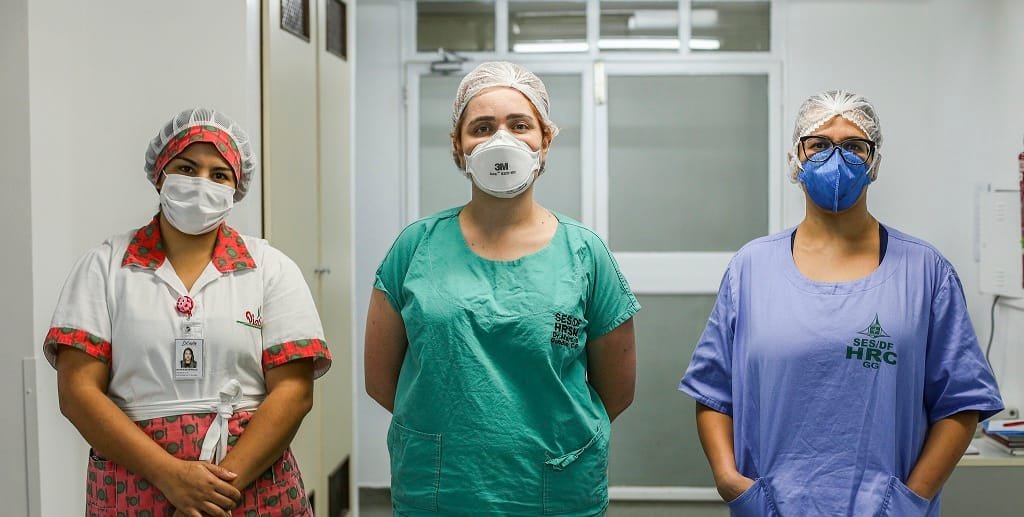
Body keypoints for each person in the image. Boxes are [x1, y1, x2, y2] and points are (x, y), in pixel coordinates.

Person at [679, 90, 1004, 516]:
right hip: (773, 506)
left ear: (874, 161)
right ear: (797, 157)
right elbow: (713, 393)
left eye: (853, 145)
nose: (836, 159)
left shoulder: (925, 271)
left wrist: (910, 500)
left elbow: (961, 402)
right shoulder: (751, 268)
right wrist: (728, 480)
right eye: (819, 144)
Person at [364, 61, 640, 516]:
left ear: (545, 140)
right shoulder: (416, 247)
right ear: (458, 144)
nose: (501, 141)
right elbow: (381, 381)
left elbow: (617, 390)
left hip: (552, 486)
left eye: (519, 125)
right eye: (482, 127)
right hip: (441, 487)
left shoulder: (585, 254)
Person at [44, 108, 331, 516]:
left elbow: (295, 391)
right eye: (186, 167)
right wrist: (171, 477)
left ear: (236, 187)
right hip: (135, 486)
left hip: (248, 487)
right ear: (160, 174)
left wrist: (213, 491)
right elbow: (77, 392)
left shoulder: (269, 268)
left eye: (219, 175)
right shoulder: (104, 267)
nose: (202, 184)